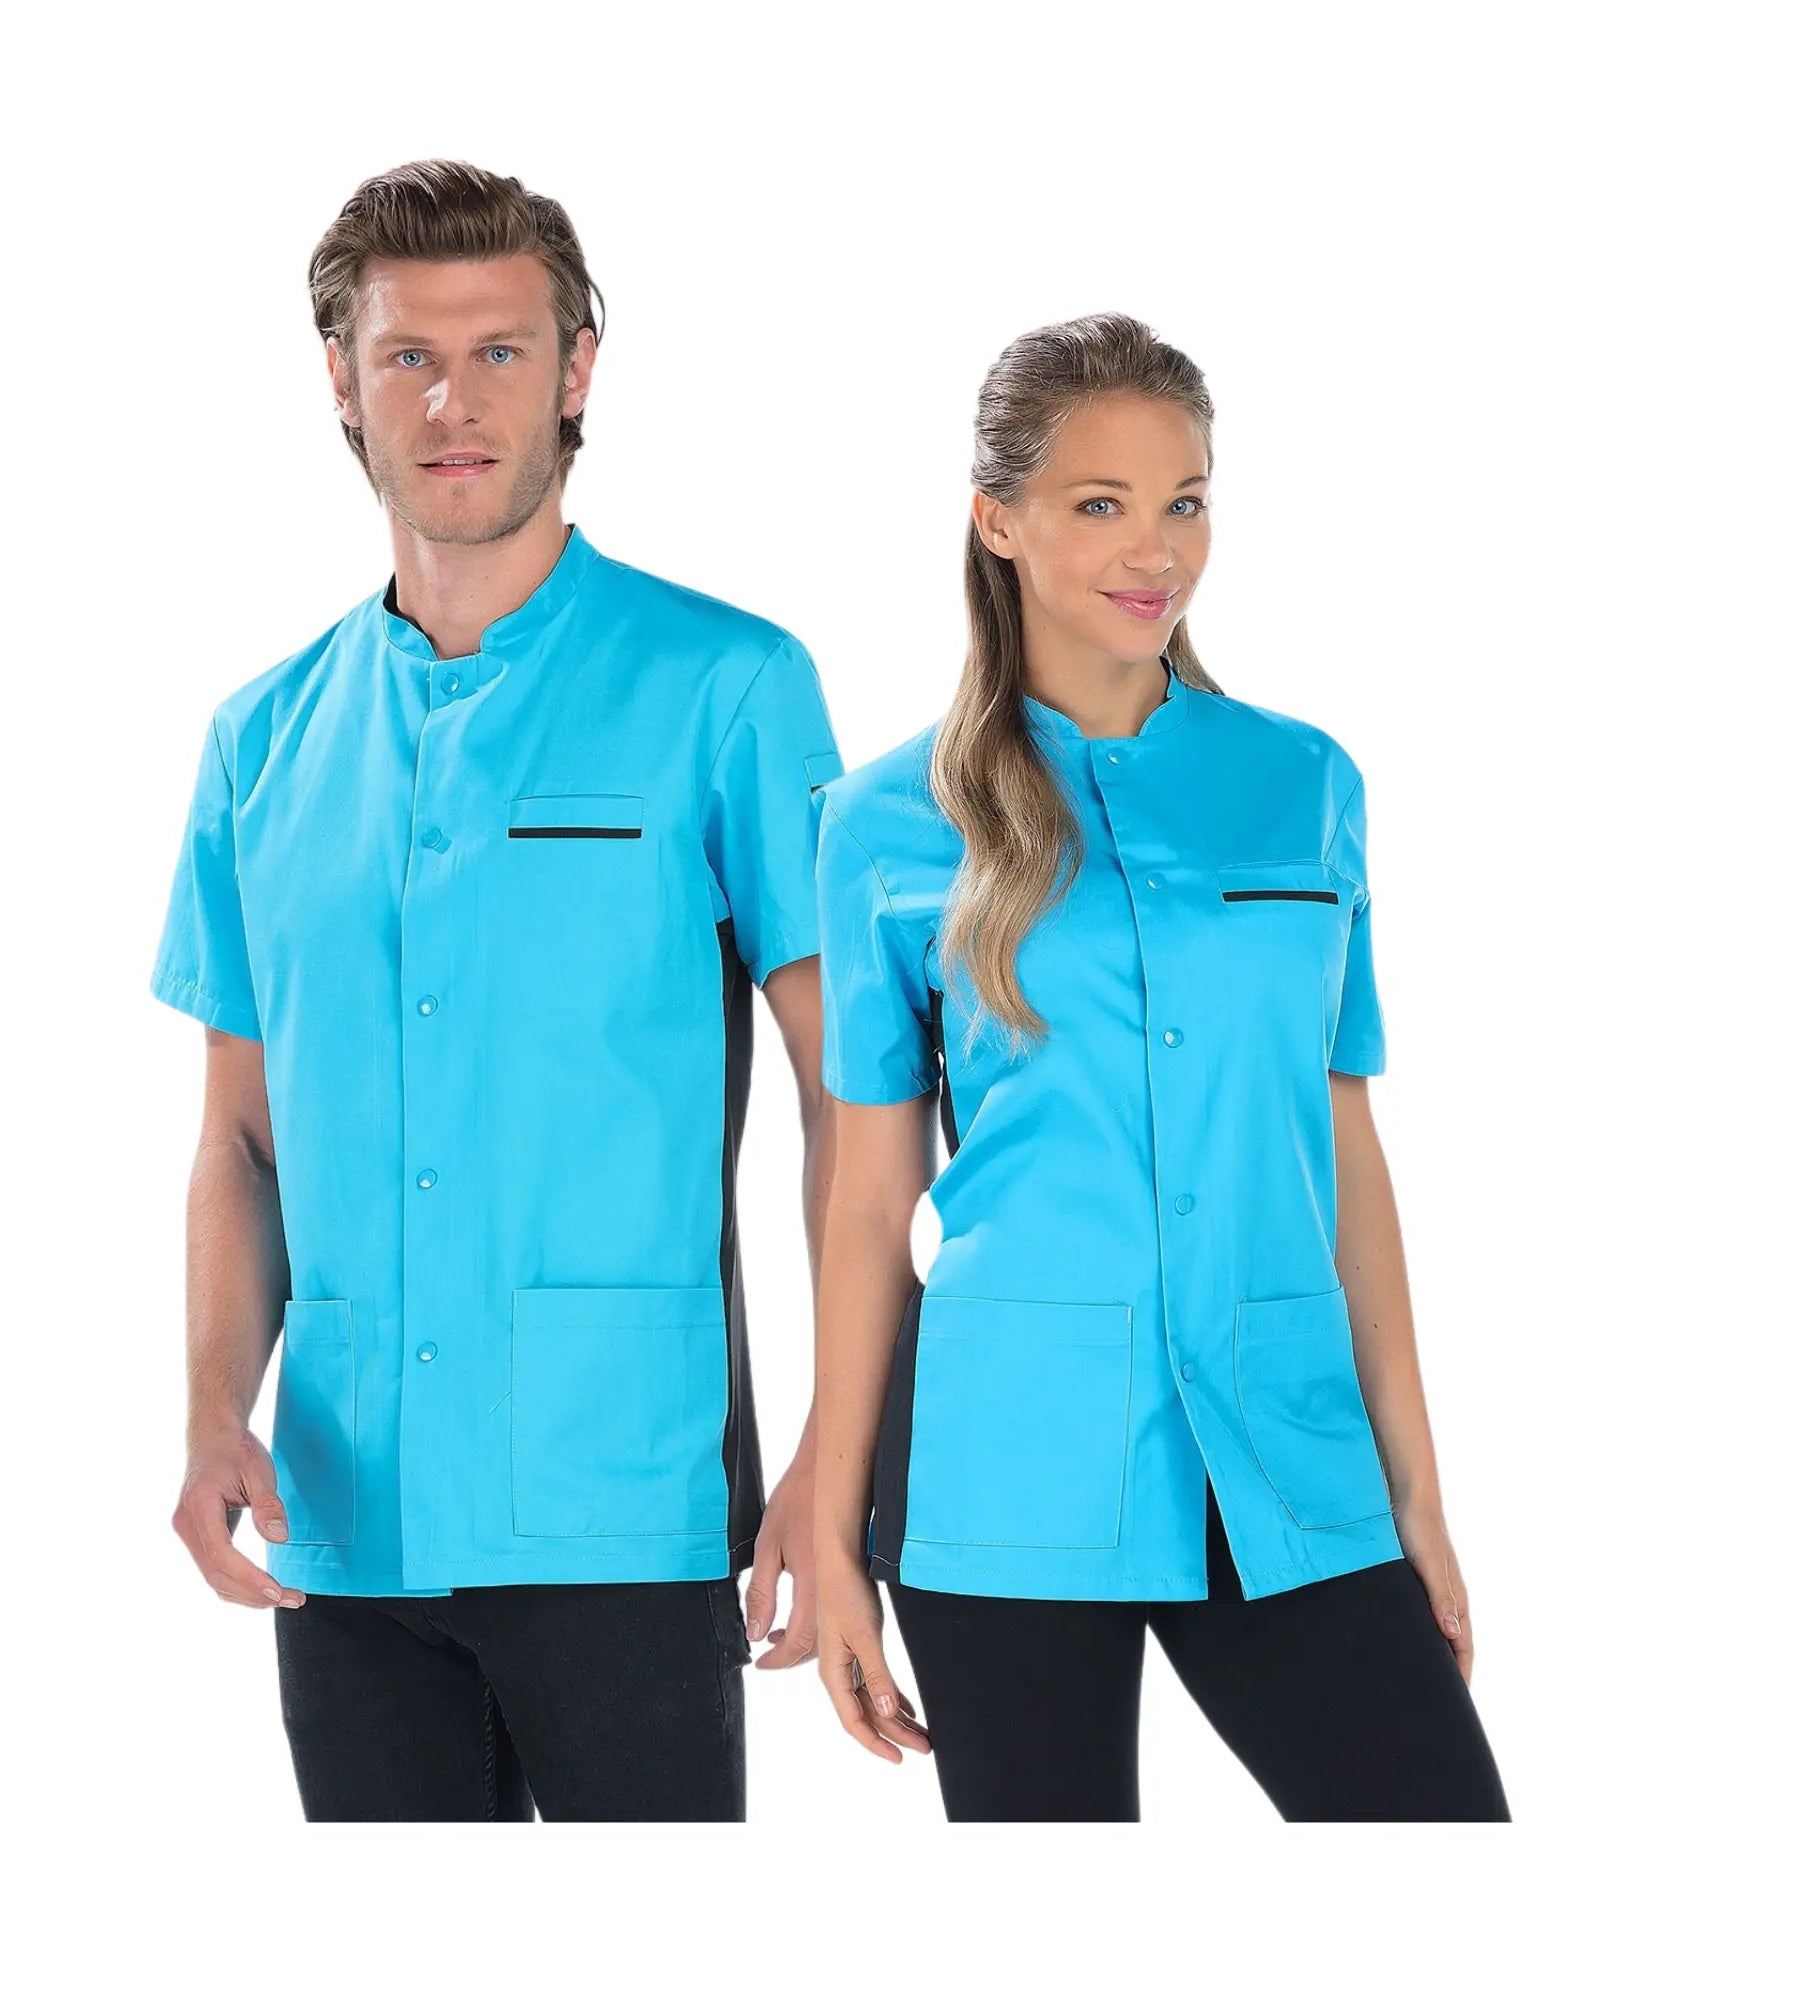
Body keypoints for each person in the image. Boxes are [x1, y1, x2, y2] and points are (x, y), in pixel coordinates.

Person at [150, 161, 841, 1821]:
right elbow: (240, 1143)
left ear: (577, 368)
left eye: (501, 353)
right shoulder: (261, 741)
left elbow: (856, 1100)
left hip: (628, 1503)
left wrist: (840, 1450)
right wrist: (210, 1412)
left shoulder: (730, 687)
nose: (453, 403)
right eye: (408, 356)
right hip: (346, 1523)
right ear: (343, 381)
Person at [810, 312, 1511, 1822]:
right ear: (998, 521)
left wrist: (1416, 1494)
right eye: (1101, 503)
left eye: (1185, 501)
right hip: (1003, 1463)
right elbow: (869, 1207)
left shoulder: (1303, 783)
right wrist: (831, 1530)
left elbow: (1344, 1153)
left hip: (1284, 1448)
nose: (1158, 551)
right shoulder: (883, 821)